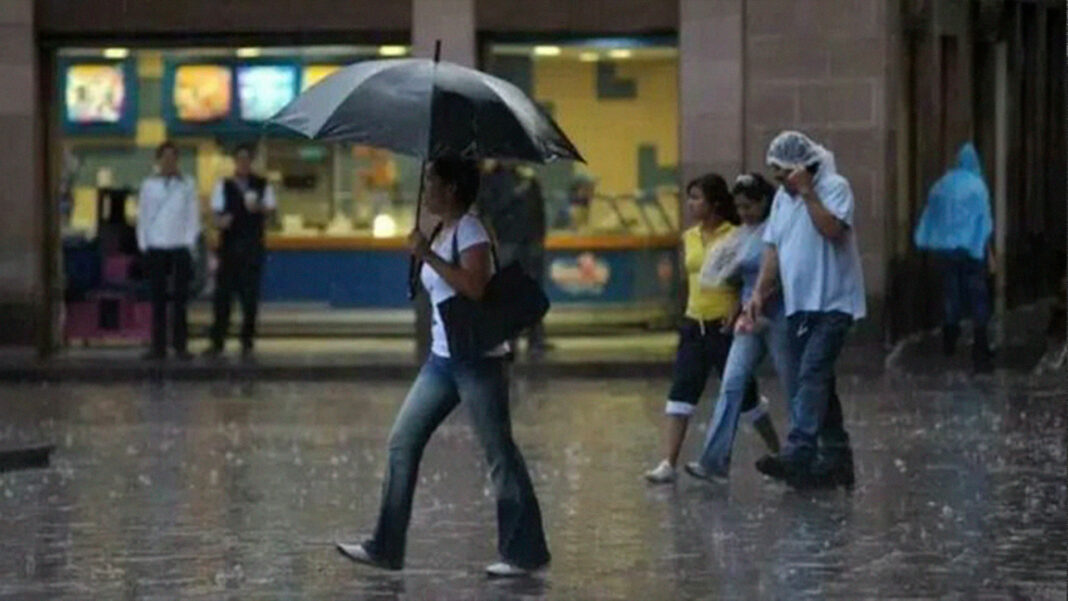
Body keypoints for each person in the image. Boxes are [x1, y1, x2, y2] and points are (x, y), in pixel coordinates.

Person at [336, 158, 551, 578]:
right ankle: (386, 546)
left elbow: (476, 286)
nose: (428, 188)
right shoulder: (443, 228)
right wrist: (424, 251)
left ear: (452, 189)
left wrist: (427, 255)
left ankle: (525, 552)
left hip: (476, 360)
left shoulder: (469, 229)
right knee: (402, 442)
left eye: (433, 181)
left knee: (499, 454)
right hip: (442, 359)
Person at [746, 131, 866, 489]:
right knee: (819, 381)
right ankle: (837, 459)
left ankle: (800, 448)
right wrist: (758, 293)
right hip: (800, 304)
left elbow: (832, 230)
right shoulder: (782, 201)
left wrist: (809, 192)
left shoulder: (835, 187)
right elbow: (773, 249)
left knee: (812, 372)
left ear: (802, 168)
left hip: (833, 301)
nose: (779, 182)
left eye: (784, 174)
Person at [644, 173, 778, 484]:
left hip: (725, 326)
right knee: (681, 393)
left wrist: (738, 306)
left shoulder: (737, 235)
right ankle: (669, 462)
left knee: (746, 399)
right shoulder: (689, 237)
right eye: (689, 198)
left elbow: (745, 277)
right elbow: (686, 279)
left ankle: (778, 450)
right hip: (694, 324)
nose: (690, 204)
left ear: (715, 203)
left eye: (696, 198)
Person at [684, 173, 789, 483]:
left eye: (748, 207)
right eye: (739, 207)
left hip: (778, 314)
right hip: (748, 317)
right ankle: (714, 461)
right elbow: (728, 274)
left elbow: (785, 272)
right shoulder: (742, 235)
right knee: (732, 383)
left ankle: (803, 450)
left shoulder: (777, 230)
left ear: (763, 203)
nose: (743, 213)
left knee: (792, 382)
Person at [913, 142, 995, 372]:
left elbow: (932, 213)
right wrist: (985, 248)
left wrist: (927, 237)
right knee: (978, 295)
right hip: (972, 249)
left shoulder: (942, 185)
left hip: (947, 249)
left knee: (952, 291)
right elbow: (984, 220)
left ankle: (949, 339)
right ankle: (980, 345)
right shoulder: (978, 186)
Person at [204, 143, 276, 360]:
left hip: (253, 248)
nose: (243, 163)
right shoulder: (223, 186)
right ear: (234, 162)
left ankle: (247, 342)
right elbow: (214, 216)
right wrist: (220, 222)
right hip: (229, 249)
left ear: (251, 162)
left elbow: (272, 215)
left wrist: (260, 209)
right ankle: (218, 342)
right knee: (223, 298)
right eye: (239, 159)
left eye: (246, 159)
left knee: (249, 299)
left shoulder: (263, 185)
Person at [478, 161, 552, 355]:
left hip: (531, 241)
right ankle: (509, 339)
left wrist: (540, 238)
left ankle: (536, 338)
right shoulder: (490, 179)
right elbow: (487, 208)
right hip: (507, 240)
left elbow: (539, 209)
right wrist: (513, 194)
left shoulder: (529, 177)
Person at [136, 141, 200, 361]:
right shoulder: (148, 185)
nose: (169, 161)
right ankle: (158, 347)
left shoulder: (187, 184)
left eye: (173, 157)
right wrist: (144, 243)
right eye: (165, 157)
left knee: (180, 300)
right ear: (159, 160)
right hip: (156, 247)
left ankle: (180, 346)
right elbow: (142, 216)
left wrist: (190, 243)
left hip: (180, 247)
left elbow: (193, 216)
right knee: (158, 299)